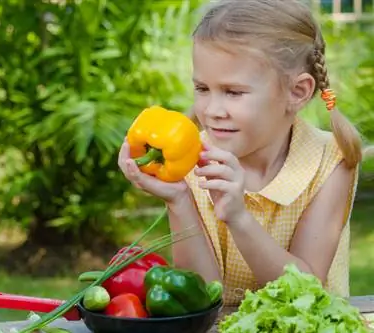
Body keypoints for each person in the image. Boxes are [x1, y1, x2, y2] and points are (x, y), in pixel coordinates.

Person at [118, 0, 371, 306]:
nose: (212, 111)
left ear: (298, 92)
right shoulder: (192, 163)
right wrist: (178, 199)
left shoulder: (330, 161)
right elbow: (203, 298)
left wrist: (238, 217)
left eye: (233, 92)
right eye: (202, 88)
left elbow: (304, 293)